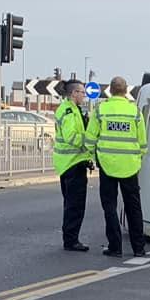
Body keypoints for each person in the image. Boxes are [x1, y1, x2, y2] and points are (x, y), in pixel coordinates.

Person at [85, 76, 147, 258]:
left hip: (107, 165)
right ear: (126, 90)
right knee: (133, 207)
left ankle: (115, 247)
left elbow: (90, 138)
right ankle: (139, 248)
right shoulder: (134, 112)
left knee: (110, 206)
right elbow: (143, 142)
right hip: (130, 166)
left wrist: (89, 155)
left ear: (110, 91)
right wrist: (137, 158)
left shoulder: (101, 110)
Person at [53, 80, 92, 252]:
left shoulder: (73, 109)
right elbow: (71, 136)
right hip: (72, 163)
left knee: (71, 203)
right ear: (74, 93)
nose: (84, 95)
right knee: (75, 205)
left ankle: (70, 238)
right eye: (82, 92)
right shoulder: (68, 111)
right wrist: (89, 145)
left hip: (70, 163)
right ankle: (71, 240)